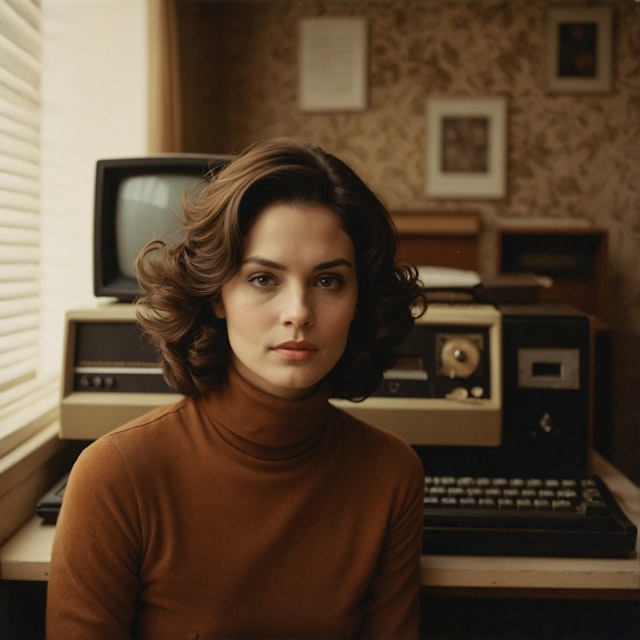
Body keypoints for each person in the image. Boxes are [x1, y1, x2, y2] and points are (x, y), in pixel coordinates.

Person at [47, 137, 428, 639]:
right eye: (264, 279)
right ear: (218, 294)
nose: (299, 312)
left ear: (360, 298)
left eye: (328, 281)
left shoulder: (391, 474)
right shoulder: (115, 477)